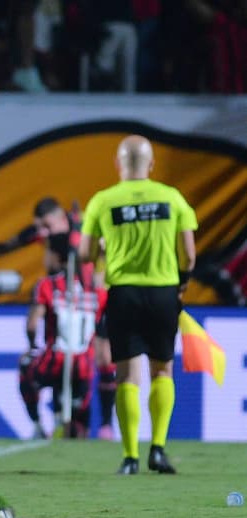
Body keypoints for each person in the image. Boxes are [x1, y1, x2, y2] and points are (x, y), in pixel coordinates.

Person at [79, 135, 197, 475]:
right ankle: (157, 450)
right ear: (152, 164)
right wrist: (182, 282)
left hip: (124, 294)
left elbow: (85, 254)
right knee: (162, 370)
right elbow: (188, 253)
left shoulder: (103, 201)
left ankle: (130, 457)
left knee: (127, 376)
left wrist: (104, 247)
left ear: (118, 165)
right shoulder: (172, 198)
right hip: (163, 292)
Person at [0, 195, 118, 439]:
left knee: (104, 358)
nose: (43, 233)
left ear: (62, 218)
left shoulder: (86, 227)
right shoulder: (47, 239)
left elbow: (109, 247)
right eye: (41, 228)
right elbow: (13, 243)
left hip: (94, 297)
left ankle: (105, 424)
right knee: (63, 352)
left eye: (47, 227)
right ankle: (66, 419)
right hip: (69, 300)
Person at [19, 241, 106, 439]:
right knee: (77, 420)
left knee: (26, 366)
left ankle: (37, 424)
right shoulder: (97, 292)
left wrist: (32, 344)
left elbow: (32, 324)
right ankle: (89, 429)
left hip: (54, 361)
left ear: (58, 258)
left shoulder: (47, 286)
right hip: (84, 366)